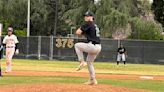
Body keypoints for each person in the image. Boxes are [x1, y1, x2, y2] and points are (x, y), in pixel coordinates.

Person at [74, 11, 101, 85]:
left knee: (77, 45)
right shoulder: (95, 25)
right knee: (89, 62)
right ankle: (93, 80)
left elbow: (78, 32)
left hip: (92, 46)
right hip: (98, 46)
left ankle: (82, 61)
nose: (86, 17)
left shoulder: (88, 23)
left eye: (88, 16)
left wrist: (81, 27)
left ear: (92, 17)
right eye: (85, 16)